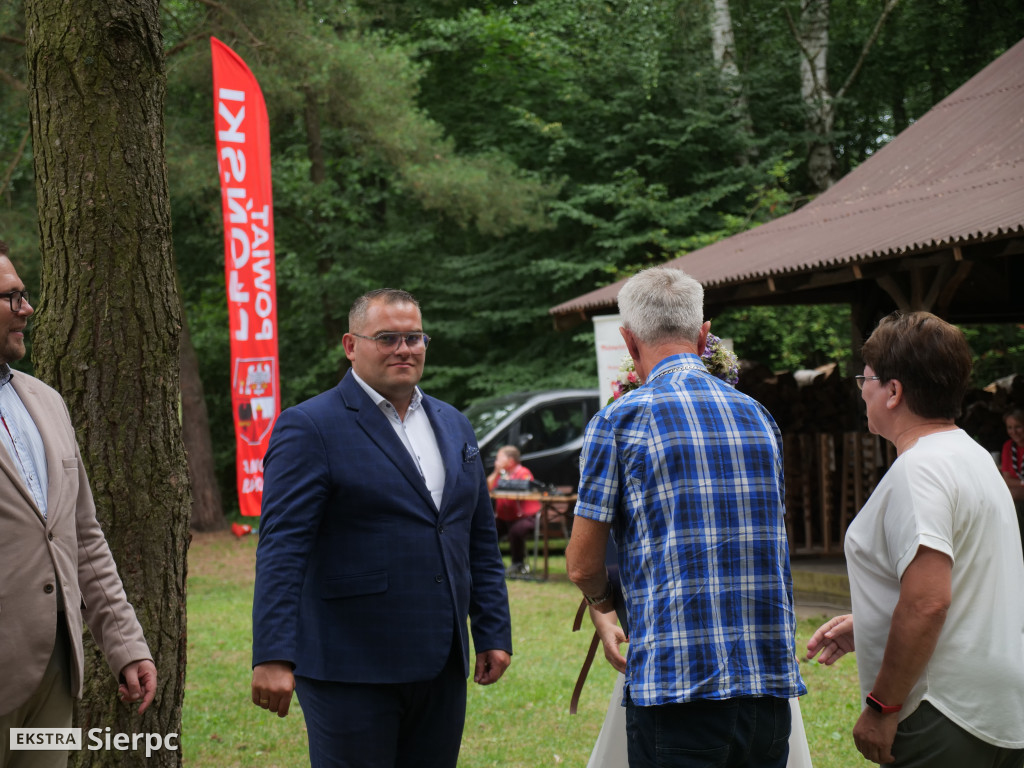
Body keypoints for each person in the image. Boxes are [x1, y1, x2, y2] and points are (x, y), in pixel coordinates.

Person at [250, 288, 513, 768]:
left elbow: (478, 539)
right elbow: (282, 549)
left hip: (440, 663)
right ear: (351, 346)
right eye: (387, 337)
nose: (404, 349)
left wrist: (492, 629)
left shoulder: (455, 425)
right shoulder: (309, 426)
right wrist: (272, 654)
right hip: (350, 665)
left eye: (414, 337)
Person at [566, 266, 806, 768]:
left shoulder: (620, 419)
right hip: (767, 690)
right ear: (703, 335)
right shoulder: (759, 417)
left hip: (676, 690)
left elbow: (582, 564)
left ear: (630, 344)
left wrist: (602, 606)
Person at [807, 311, 1024, 767]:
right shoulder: (974, 456)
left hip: (942, 710)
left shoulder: (918, 470)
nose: (861, 390)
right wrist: (873, 622)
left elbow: (928, 602)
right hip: (997, 706)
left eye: (864, 379)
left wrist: (882, 706)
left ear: (893, 391)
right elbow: (965, 577)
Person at [0, 242, 156, 768]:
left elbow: (81, 534)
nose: (28, 308)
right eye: (11, 297)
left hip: (55, 679)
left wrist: (125, 643)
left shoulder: (46, 401)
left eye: (25, 294)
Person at [486, 445, 540, 576]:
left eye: (499, 459)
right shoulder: (501, 475)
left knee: (516, 531)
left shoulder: (523, 472)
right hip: (504, 518)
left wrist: (507, 485)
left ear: (510, 461)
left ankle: (518, 563)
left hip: (524, 517)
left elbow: (525, 490)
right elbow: (487, 487)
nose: (496, 462)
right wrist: (496, 472)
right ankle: (492, 562)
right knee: (488, 529)